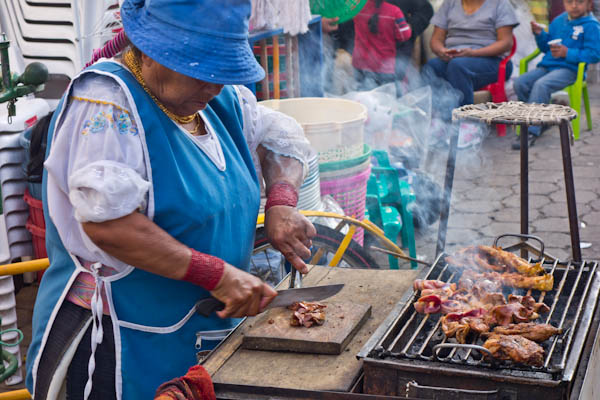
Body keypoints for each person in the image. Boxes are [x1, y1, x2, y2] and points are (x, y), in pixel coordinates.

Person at [25, 0, 316, 398]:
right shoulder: (106, 101)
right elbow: (109, 224)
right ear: (150, 51)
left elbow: (282, 138)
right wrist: (219, 275)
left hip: (201, 335)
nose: (214, 86)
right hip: (122, 345)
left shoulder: (219, 98)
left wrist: (282, 201)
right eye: (201, 71)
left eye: (222, 71)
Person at [425, 0, 518, 148]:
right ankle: (442, 121)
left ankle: (468, 125)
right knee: (432, 66)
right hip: (456, 59)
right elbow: (436, 39)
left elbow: (506, 43)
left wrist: (473, 53)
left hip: (492, 61)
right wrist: (442, 51)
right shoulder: (450, 4)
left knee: (458, 67)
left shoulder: (500, 4)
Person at [512, 0, 600, 150]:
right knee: (521, 83)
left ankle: (531, 131)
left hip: (570, 70)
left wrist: (568, 53)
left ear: (589, 4)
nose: (574, 5)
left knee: (541, 85)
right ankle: (542, 120)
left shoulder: (591, 26)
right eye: (569, 2)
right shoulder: (559, 21)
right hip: (548, 66)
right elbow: (547, 48)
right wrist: (540, 35)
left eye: (579, 2)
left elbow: (594, 54)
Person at [352, 0, 413, 90]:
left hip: (360, 64)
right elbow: (404, 35)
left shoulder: (357, 8)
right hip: (384, 68)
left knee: (362, 98)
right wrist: (409, 27)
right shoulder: (395, 12)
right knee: (383, 100)